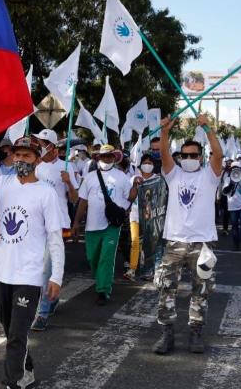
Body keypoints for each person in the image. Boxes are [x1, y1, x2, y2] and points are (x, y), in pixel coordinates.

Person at [0, 136, 66, 389]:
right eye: (17, 155)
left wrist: (56, 276)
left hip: (28, 275)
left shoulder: (46, 193)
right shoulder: (2, 183)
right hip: (1, 271)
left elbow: (54, 237)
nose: (20, 160)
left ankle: (12, 382)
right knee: (10, 332)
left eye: (27, 156)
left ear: (37, 160)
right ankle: (26, 370)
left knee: (17, 334)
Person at [152, 114, 223, 355]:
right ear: (180, 157)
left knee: (201, 290)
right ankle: (167, 333)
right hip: (175, 242)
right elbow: (162, 152)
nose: (190, 159)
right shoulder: (173, 175)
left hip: (202, 244)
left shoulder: (210, 175)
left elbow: (219, 154)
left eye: (194, 155)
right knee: (166, 288)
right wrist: (164, 131)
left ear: (201, 157)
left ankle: (195, 332)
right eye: (185, 155)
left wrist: (207, 127)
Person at [74, 144, 133, 305]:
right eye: (103, 156)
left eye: (110, 156)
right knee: (93, 257)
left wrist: (123, 211)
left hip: (112, 225)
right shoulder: (90, 177)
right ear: (98, 158)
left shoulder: (122, 177)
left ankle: (103, 290)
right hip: (92, 225)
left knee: (107, 257)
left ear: (115, 158)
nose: (106, 159)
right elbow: (83, 201)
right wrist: (77, 222)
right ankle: (100, 279)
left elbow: (129, 198)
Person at [30, 129, 77, 331]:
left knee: (47, 269)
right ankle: (51, 298)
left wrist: (68, 182)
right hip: (36, 224)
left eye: (42, 143)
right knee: (38, 268)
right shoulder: (36, 168)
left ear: (51, 146)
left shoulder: (67, 167)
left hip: (57, 224)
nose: (39, 146)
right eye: (38, 142)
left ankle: (42, 313)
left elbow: (74, 199)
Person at [124, 153, 159, 280]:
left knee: (149, 244)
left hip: (151, 216)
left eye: (150, 163)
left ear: (154, 165)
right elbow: (129, 197)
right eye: (145, 162)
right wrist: (135, 185)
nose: (147, 165)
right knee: (134, 241)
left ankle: (150, 270)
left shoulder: (157, 179)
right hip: (135, 214)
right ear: (140, 164)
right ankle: (132, 269)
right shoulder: (134, 178)